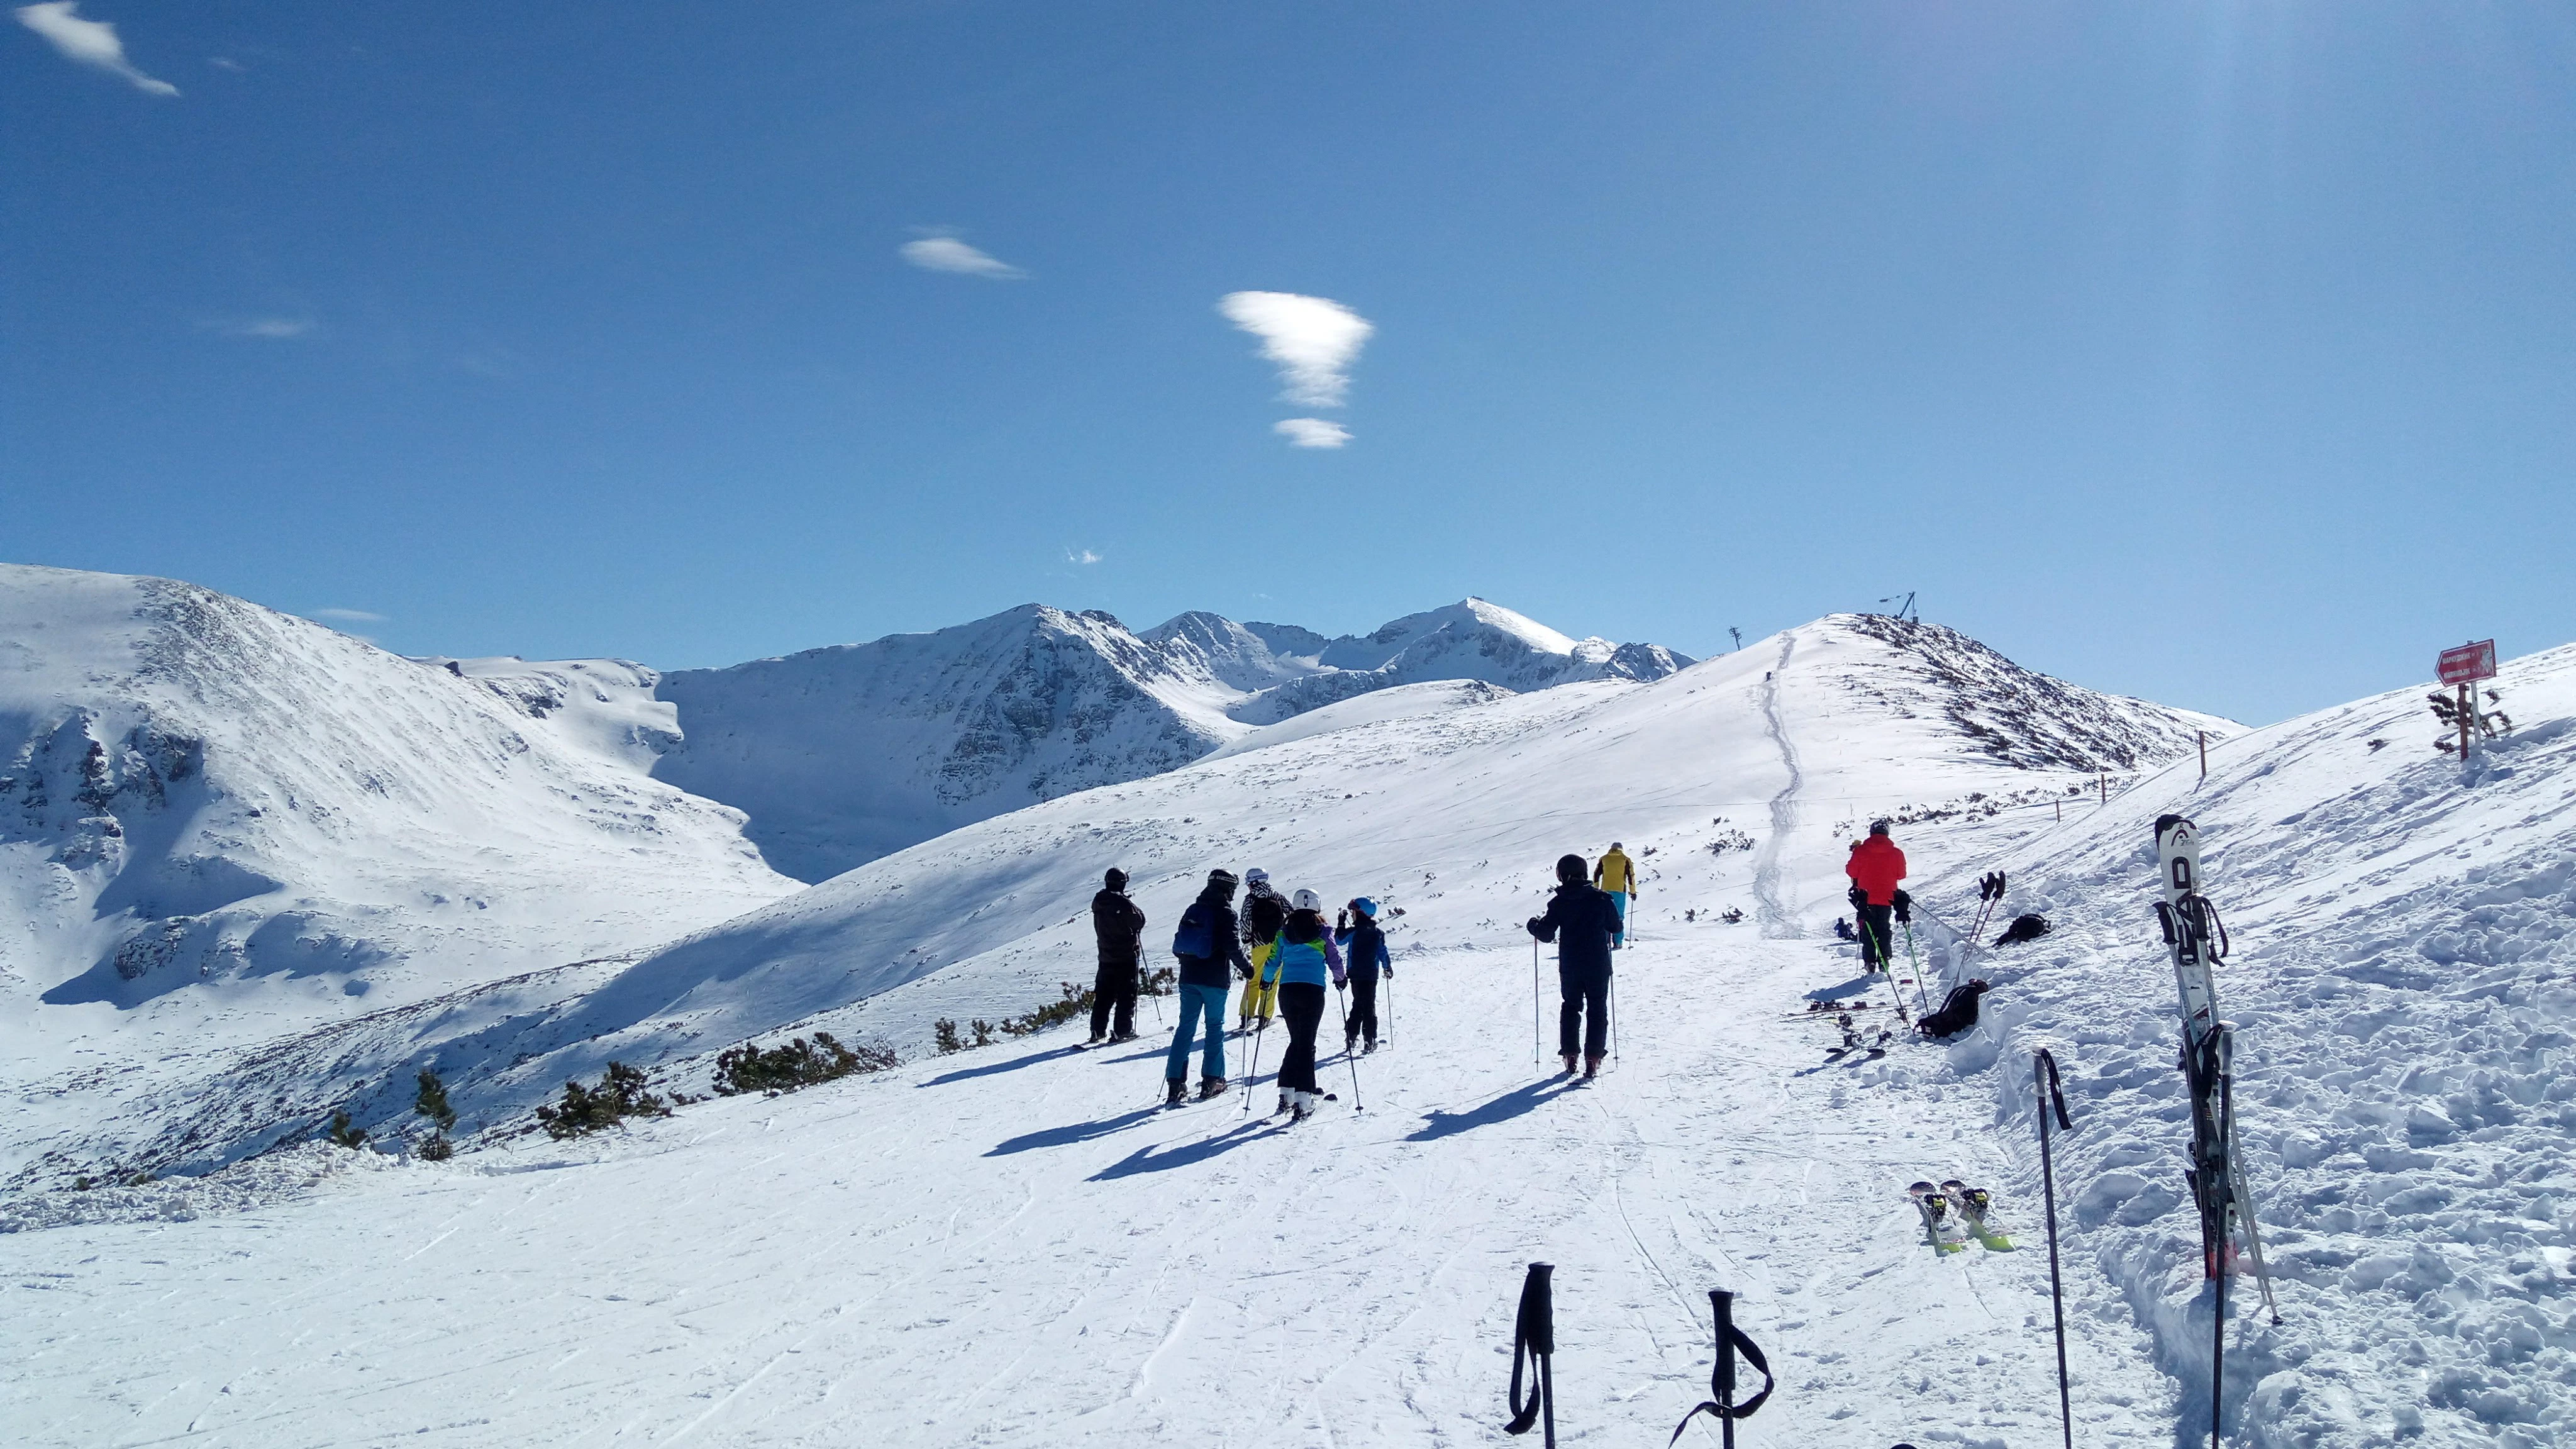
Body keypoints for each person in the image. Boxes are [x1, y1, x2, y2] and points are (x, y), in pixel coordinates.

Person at [1528, 853, 1621, 1079]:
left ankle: (1570, 1054)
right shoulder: (1602, 899)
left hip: (1571, 964)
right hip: (1598, 963)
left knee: (1571, 1006)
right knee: (1597, 1007)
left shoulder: (1559, 902)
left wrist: (1533, 925)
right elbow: (1616, 928)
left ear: (1564, 875)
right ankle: (1594, 1058)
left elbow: (1547, 934)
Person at [1165, 870, 1251, 1106]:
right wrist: (1248, 968)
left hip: (1189, 977)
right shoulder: (1226, 913)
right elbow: (1233, 947)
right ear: (1228, 889)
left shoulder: (1194, 909)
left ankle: (1175, 1084)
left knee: (1185, 1028)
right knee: (1214, 1028)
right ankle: (1212, 1081)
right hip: (1214, 980)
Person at [1266, 888, 1346, 1119]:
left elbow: (1273, 960)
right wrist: (1340, 979)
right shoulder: (1323, 931)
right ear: (1317, 906)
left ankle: (1286, 1093)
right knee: (1307, 1043)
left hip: (1287, 991)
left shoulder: (1284, 932)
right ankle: (1304, 1097)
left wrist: (1266, 981)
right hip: (1312, 991)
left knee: (1297, 1040)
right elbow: (1334, 958)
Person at [1088, 867, 1146, 1045]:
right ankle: (1123, 1030)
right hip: (1125, 956)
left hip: (1105, 956)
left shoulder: (1098, 900)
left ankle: (1097, 1031)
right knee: (1126, 995)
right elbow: (1139, 920)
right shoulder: (1122, 904)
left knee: (1103, 996)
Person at [1845, 822, 1908, 975]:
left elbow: (1851, 871)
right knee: (1884, 928)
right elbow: (1902, 875)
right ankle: (1884, 959)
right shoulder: (1896, 853)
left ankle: (1869, 962)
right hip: (1888, 897)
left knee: (1867, 930)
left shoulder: (1860, 851)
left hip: (1865, 897)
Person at [1335, 898, 1393, 1053]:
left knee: (1358, 1004)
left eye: (1353, 912)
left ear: (1361, 913)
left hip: (1355, 975)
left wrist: (1341, 923)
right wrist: (1387, 967)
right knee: (1368, 1006)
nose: (1352, 915)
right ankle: (1370, 1038)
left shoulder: (1353, 932)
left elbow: (1338, 940)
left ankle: (1352, 1036)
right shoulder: (1378, 933)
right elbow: (1383, 952)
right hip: (1371, 976)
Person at [1236, 867, 1287, 1030]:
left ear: (1254, 882)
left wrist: (1246, 938)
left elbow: (1245, 920)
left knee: (1254, 980)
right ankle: (1265, 1017)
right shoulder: (1278, 897)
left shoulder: (1250, 900)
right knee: (1271, 980)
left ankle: (1246, 1015)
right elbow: (1292, 913)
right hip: (1278, 945)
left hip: (1258, 945)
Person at [1593, 842, 1637, 948]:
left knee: (1604, 916)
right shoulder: (1625, 859)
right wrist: (1633, 892)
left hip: (1605, 891)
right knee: (1618, 917)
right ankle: (1618, 942)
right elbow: (1631, 877)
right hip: (1619, 891)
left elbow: (1596, 875)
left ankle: (1605, 942)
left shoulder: (1604, 859)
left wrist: (1596, 889)